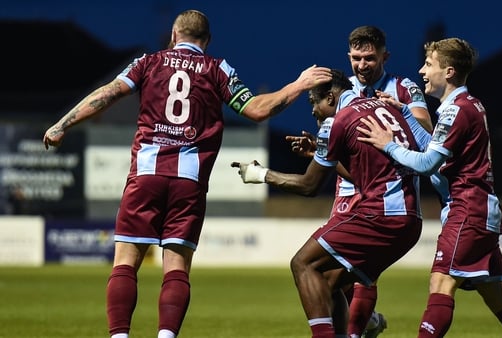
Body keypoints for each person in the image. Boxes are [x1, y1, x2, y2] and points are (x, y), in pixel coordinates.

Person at [42, 9, 331, 338]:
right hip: (189, 180)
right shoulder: (217, 69)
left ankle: (119, 335)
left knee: (125, 260)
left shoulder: (148, 63)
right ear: (206, 41)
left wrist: (62, 124)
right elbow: (258, 110)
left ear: (174, 36)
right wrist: (298, 84)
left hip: (147, 174)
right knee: (176, 266)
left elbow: (107, 93)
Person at [356, 37, 502, 337]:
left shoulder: (455, 111)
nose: (422, 70)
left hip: (467, 209)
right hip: (482, 209)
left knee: (441, 284)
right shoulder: (468, 105)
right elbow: (437, 148)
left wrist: (388, 145)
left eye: (429, 64)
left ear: (449, 71)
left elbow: (428, 163)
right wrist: (404, 113)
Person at [231, 69, 424, 338]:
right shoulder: (384, 107)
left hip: (380, 216)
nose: (312, 111)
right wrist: (318, 152)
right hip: (411, 220)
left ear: (331, 97)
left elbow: (308, 186)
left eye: (313, 102)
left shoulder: (337, 123)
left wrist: (261, 174)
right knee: (329, 282)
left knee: (302, 264)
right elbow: (364, 174)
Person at [285, 25, 433, 338]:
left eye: (369, 58)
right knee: (330, 276)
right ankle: (365, 323)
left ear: (385, 56)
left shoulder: (402, 87)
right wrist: (317, 149)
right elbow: (329, 132)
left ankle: (356, 328)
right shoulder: (340, 89)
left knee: (359, 275)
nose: (362, 65)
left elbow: (423, 126)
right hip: (347, 190)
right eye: (356, 58)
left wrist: (392, 115)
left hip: (385, 192)